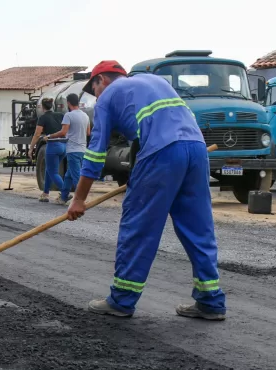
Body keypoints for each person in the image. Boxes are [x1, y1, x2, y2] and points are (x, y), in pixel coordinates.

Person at [66, 60, 226, 320]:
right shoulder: (157, 82)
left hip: (161, 153)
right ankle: (211, 301)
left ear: (101, 80)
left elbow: (95, 153)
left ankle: (121, 300)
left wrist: (79, 199)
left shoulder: (107, 97)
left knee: (139, 227)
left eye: (93, 88)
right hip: (196, 149)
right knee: (199, 228)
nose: (95, 95)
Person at [48, 93, 91, 205]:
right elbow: (88, 132)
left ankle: (80, 201)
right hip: (82, 149)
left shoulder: (69, 115)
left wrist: (50, 136)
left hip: (73, 150)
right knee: (68, 175)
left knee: (76, 175)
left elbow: (63, 132)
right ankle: (63, 197)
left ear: (68, 103)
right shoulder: (85, 116)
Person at [29, 98, 66, 202]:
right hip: (63, 146)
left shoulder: (43, 118)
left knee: (53, 171)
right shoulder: (60, 115)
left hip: (52, 146)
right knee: (48, 170)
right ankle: (45, 193)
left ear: (42, 107)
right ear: (52, 105)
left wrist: (31, 148)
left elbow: (37, 134)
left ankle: (65, 193)